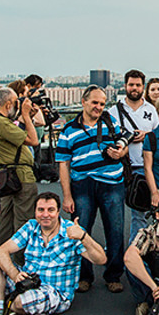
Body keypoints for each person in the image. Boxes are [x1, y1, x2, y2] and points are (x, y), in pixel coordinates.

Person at [0, 192, 107, 315]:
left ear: (58, 211)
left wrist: (84, 237)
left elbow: (101, 259)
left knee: (20, 302)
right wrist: (14, 274)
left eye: (50, 210)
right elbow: (1, 251)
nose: (45, 214)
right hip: (26, 281)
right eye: (41, 210)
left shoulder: (72, 231)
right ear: (35, 211)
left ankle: (1, 299)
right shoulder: (31, 226)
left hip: (54, 291)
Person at [57, 85, 128, 294]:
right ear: (83, 102)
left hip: (111, 182)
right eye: (95, 102)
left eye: (102, 104)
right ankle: (83, 276)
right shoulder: (69, 129)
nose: (98, 107)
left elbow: (123, 144)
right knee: (81, 230)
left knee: (115, 230)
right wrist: (67, 196)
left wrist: (120, 153)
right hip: (82, 184)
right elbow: (63, 164)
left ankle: (113, 275)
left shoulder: (110, 122)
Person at [0, 87, 39, 253]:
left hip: (7, 176)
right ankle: (21, 262)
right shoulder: (1, 123)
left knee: (6, 223)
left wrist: (27, 117)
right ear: (8, 104)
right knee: (24, 222)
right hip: (20, 177)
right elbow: (33, 140)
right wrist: (27, 117)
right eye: (16, 103)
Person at [108, 69, 159, 242]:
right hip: (119, 168)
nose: (134, 88)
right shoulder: (114, 111)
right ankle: (114, 249)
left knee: (139, 214)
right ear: (125, 86)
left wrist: (146, 135)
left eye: (138, 85)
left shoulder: (151, 110)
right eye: (131, 85)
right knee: (115, 214)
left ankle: (136, 249)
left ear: (143, 87)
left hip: (144, 169)